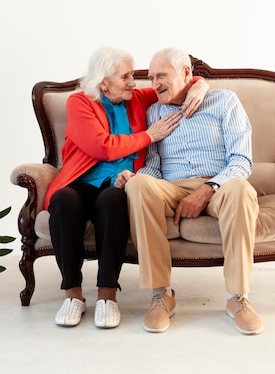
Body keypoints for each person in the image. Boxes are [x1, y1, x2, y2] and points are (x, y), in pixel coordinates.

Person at [44, 47, 209, 329]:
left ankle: (107, 295)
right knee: (63, 201)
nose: (135, 82)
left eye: (133, 75)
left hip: (120, 185)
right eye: (126, 76)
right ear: (103, 82)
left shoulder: (135, 99)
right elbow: (102, 146)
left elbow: (183, 81)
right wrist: (148, 135)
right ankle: (72, 295)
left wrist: (202, 86)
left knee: (113, 201)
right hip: (82, 183)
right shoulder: (79, 102)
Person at [116, 47, 262, 335]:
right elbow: (154, 166)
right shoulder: (153, 112)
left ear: (186, 74)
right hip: (171, 186)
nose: (155, 83)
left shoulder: (224, 101)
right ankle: (161, 294)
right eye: (151, 77)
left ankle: (238, 297)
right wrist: (134, 178)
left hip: (219, 183)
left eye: (162, 75)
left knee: (241, 190)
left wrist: (208, 189)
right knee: (139, 184)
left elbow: (241, 160)